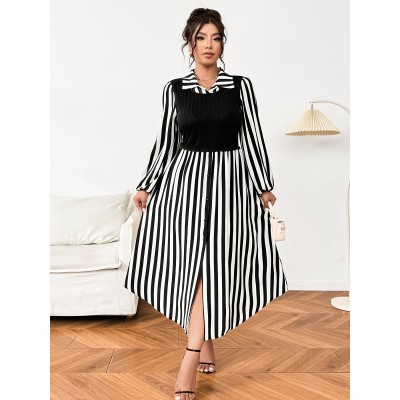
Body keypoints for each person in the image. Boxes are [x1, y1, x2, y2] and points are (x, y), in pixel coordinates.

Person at [124, 8, 288, 400]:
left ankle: (190, 357)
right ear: (190, 43)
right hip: (185, 187)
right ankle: (203, 345)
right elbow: (166, 143)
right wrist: (147, 184)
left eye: (215, 38)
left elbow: (252, 138)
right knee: (194, 268)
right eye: (201, 38)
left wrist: (263, 185)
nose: (209, 45)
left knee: (217, 267)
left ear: (222, 43)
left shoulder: (240, 87)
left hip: (232, 189)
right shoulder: (175, 89)